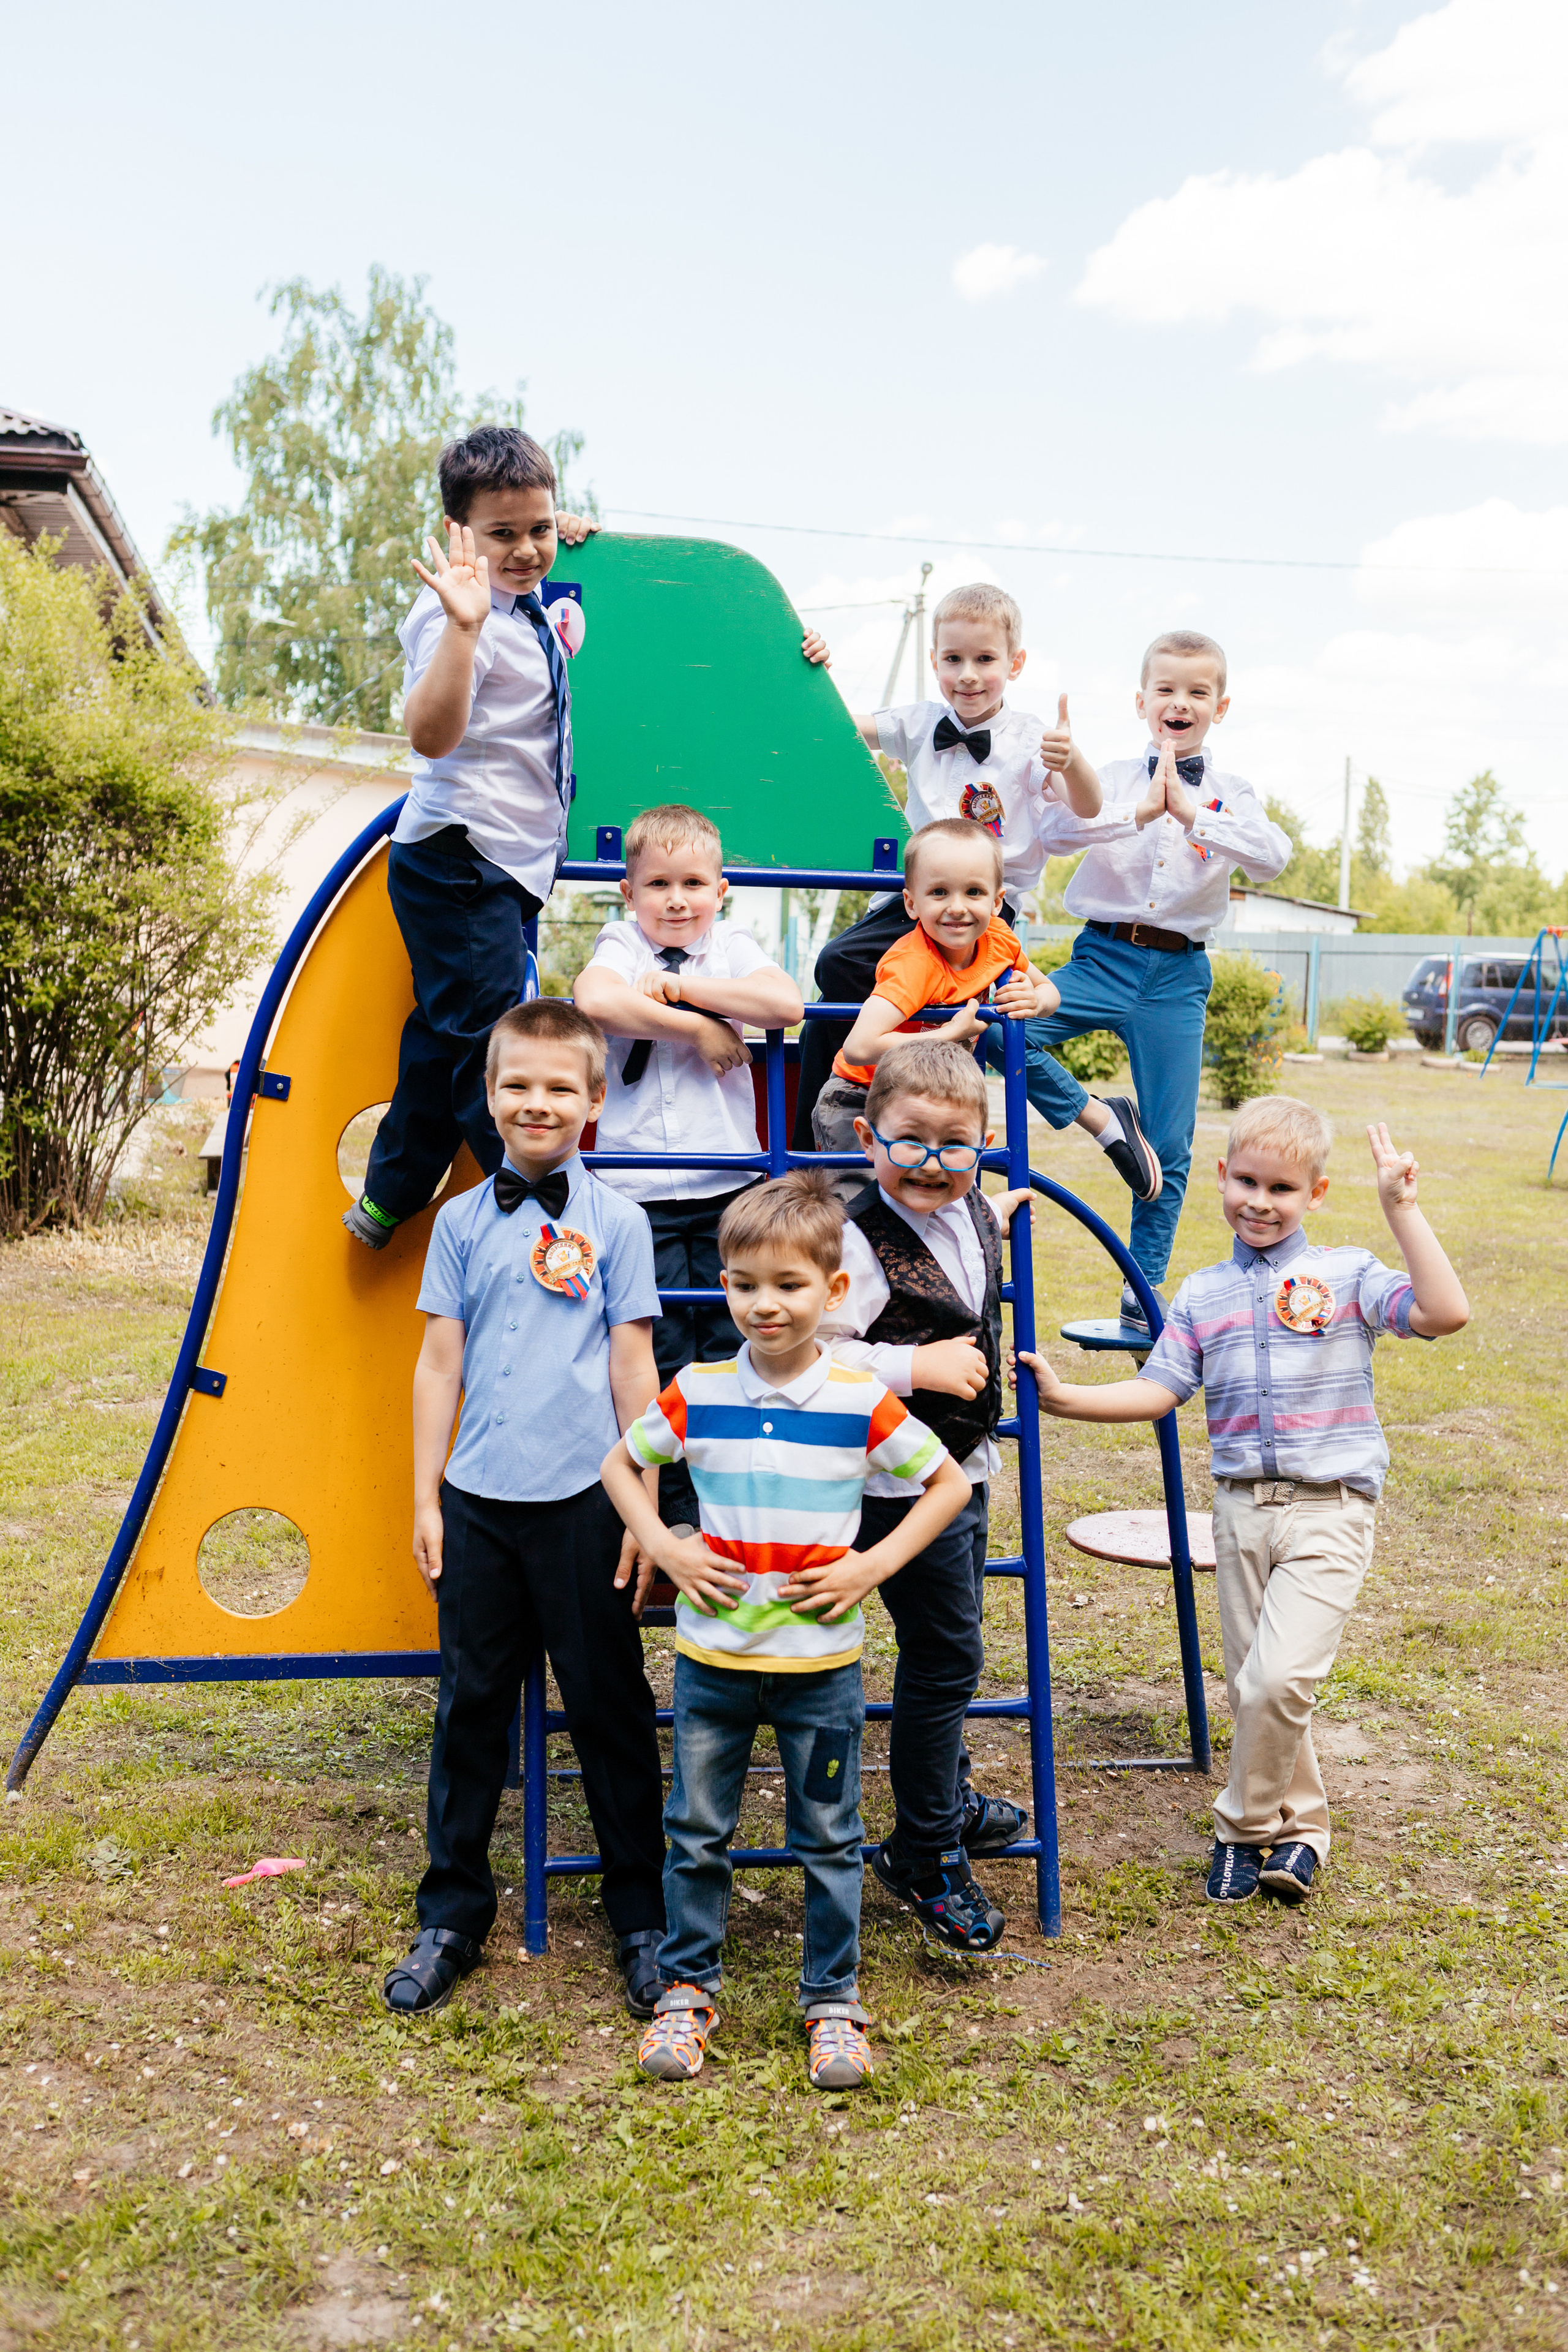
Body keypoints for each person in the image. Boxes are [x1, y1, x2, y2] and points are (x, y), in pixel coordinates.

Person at [1017, 1096, 1469, 1907]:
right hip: (1239, 1513)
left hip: (1331, 1509)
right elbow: (1160, 1389)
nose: (1261, 1203)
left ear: (1315, 1194)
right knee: (1256, 1682)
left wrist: (1402, 1210)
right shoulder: (1203, 1294)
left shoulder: (1348, 1275)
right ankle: (1304, 1831)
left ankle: (1241, 1828)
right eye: (1248, 1183)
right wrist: (1065, 1398)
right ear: (1223, 1178)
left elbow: (1444, 1312)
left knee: (1277, 1679)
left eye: (1283, 1189)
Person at [601, 1170, 970, 2089]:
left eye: (788, 1285)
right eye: (743, 1284)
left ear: (833, 1290)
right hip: (712, 1664)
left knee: (830, 1837)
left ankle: (833, 2001)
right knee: (696, 1831)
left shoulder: (857, 1398)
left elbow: (947, 1485)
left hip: (822, 1673)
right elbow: (619, 1464)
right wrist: (666, 1543)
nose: (764, 1304)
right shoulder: (696, 1389)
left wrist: (872, 1565)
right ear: (723, 1285)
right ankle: (688, 1990)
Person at [382, 998, 671, 2022]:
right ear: (490, 1094)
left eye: (559, 1087)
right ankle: (453, 1915)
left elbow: (635, 1368)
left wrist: (645, 1512)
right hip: (478, 1504)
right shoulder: (460, 1223)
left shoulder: (620, 1224)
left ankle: (644, 1919)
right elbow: (438, 1364)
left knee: (610, 1710)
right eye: (517, 1084)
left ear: (594, 1102)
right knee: (470, 1709)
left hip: (588, 1501)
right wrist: (426, 1495)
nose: (536, 1103)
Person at [792, 587, 1160, 1207]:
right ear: (934, 660)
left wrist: (1070, 761)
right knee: (840, 984)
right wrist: (817, 670)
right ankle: (820, 1146)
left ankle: (905, 1157)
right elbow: (837, 728)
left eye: (985, 659)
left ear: (1015, 664)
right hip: (923, 901)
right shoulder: (918, 723)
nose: (968, 674)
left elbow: (1089, 805)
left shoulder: (1029, 738)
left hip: (984, 907)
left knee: (946, 1012)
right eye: (954, 659)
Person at [344, 425, 598, 1250]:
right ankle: (540, 1212)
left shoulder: (527, 602)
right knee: (492, 1045)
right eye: (502, 533)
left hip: (502, 862)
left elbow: (550, 576)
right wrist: (462, 628)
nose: (525, 550)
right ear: (459, 533)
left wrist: (564, 538)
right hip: (463, 858)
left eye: (540, 528)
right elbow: (429, 735)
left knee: (445, 1030)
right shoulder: (456, 616)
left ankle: (389, 1196)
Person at [819, 1038, 1033, 1950]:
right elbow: (815, 1353)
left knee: (953, 1647)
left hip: (963, 1471)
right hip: (886, 1485)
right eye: (911, 1142)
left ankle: (941, 1796)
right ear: (868, 1139)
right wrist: (916, 1367)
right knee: (945, 1658)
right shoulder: (852, 1242)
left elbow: (971, 1228)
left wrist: (997, 1209)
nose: (932, 1163)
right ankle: (925, 1847)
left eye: (956, 1146)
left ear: (981, 1148)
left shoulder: (972, 1206)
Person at [1019, 630, 1292, 1332]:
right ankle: (1106, 1122)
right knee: (1002, 1028)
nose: (1180, 702)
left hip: (1177, 974)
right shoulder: (1111, 777)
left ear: (1219, 707)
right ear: (1141, 701)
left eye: (1197, 692)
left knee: (1170, 1146)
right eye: (1166, 689)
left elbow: (1272, 859)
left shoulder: (1231, 793)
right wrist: (1137, 812)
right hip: (1100, 958)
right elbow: (1055, 834)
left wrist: (1193, 815)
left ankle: (1141, 1296)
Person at [573, 804, 804, 1529]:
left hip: (725, 1188)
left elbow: (784, 1004)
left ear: (721, 890)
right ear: (629, 892)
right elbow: (594, 999)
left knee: (735, 1341)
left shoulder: (729, 945)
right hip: (638, 1193)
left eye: (694, 884)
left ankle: (733, 1503)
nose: (677, 901)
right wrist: (695, 1030)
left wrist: (685, 990)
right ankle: (673, 1509)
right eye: (659, 885)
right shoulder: (621, 943)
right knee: (662, 1346)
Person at [810, 818, 1076, 1163]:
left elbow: (1050, 992)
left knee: (940, 1183)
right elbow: (859, 1048)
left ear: (997, 902)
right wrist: (951, 1033)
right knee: (869, 1196)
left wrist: (1035, 1000)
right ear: (911, 904)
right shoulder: (914, 964)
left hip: (926, 1099)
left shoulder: (998, 939)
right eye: (939, 892)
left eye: (974, 892)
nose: (957, 907)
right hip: (862, 1098)